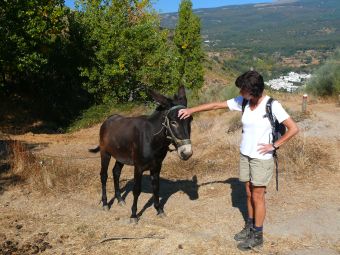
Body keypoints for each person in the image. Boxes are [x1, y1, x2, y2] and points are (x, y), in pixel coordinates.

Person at [178, 70, 299, 250]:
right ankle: (249, 227)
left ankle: (258, 235)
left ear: (253, 91)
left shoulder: (272, 105)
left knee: (258, 196)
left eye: (243, 89)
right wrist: (191, 110)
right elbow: (215, 106)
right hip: (245, 155)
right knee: (249, 193)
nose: (240, 93)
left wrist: (274, 145)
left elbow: (293, 128)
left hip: (261, 159)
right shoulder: (243, 102)